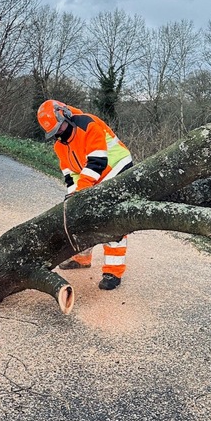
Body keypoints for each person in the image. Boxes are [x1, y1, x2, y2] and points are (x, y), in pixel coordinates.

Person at [37, 99, 133, 291]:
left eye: (60, 128)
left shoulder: (88, 124)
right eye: (55, 132)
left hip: (117, 169)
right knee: (81, 216)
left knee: (112, 222)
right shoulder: (59, 145)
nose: (59, 133)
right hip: (93, 175)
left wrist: (82, 190)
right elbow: (70, 174)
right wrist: (74, 196)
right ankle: (82, 257)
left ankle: (113, 271)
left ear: (64, 114)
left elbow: (98, 161)